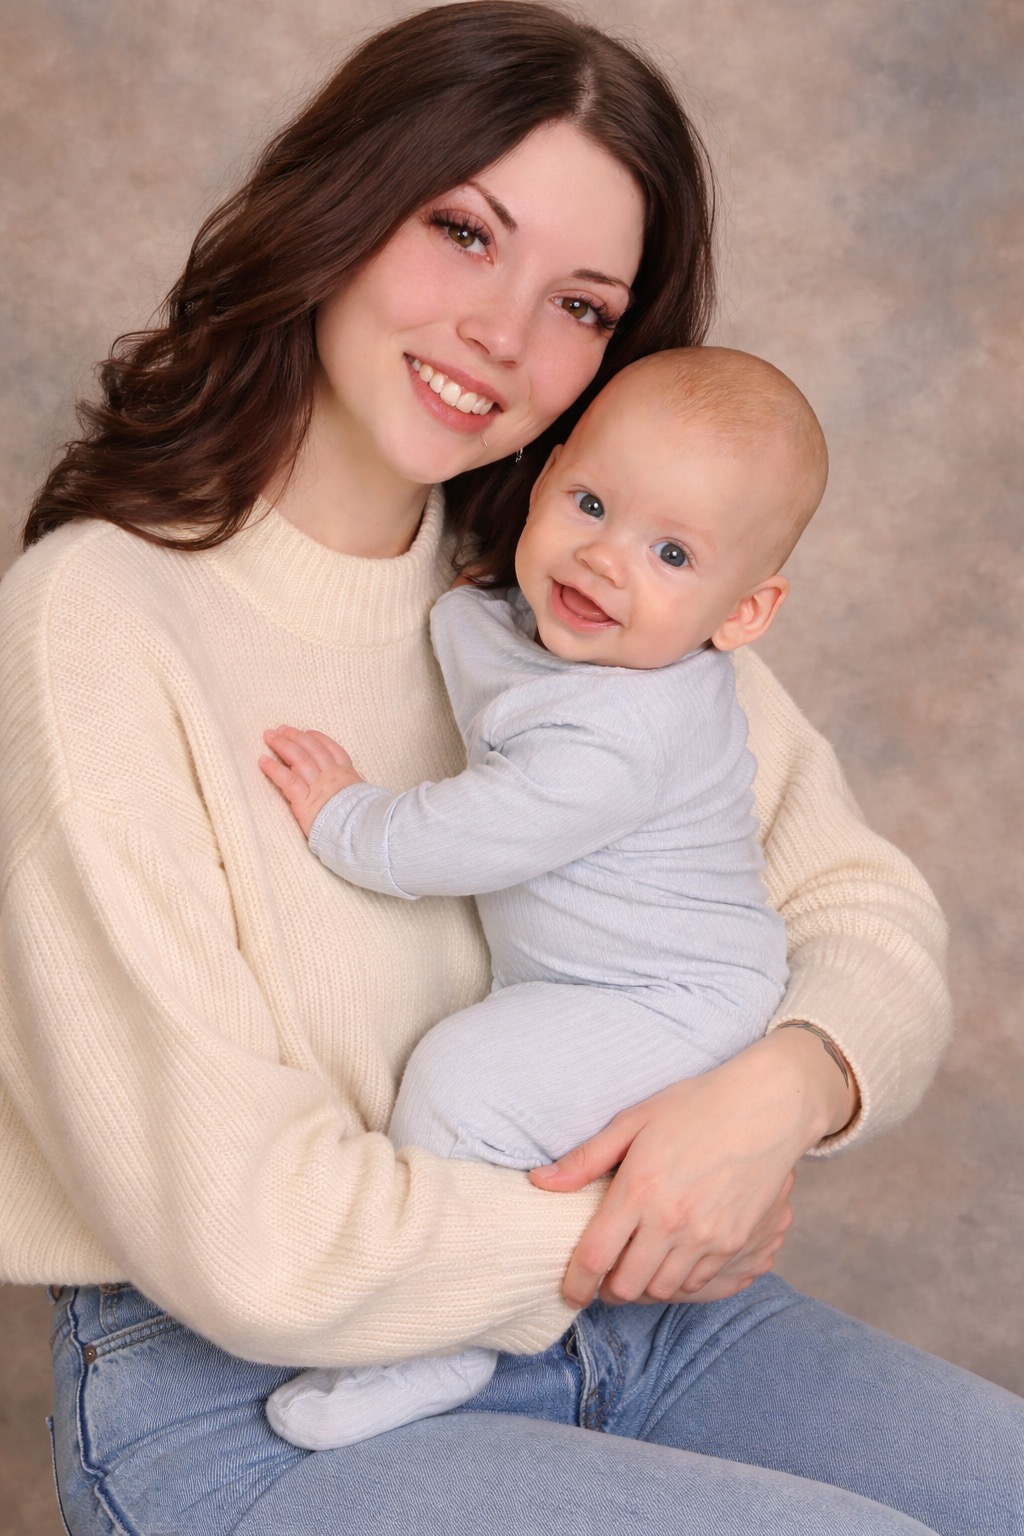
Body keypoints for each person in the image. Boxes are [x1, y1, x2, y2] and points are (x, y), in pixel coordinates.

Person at [0, 3, 1019, 1532]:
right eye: (463, 232)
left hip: (636, 1324)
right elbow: (243, 1233)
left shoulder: (574, 587)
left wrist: (787, 1087)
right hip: (255, 1393)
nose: (502, 334)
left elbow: (861, 910)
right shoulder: (97, 619)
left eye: (582, 305)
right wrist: (628, 1221)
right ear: (338, 204)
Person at [257, 344, 826, 1450]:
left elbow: (472, 832)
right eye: (591, 504)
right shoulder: (545, 622)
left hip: (671, 1002)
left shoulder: (623, 732)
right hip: (615, 983)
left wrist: (345, 817)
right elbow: (479, 631)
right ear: (550, 470)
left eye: (670, 552)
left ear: (744, 611)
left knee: (463, 1088)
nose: (604, 559)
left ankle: (441, 1336)